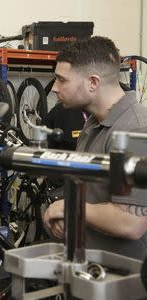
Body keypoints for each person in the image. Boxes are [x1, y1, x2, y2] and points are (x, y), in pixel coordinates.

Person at [43, 36, 147, 260]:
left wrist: (68, 208)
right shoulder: (93, 123)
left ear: (93, 82)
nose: (54, 88)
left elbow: (130, 222)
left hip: (124, 283)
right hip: (90, 268)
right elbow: (91, 196)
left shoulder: (136, 130)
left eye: (62, 80)